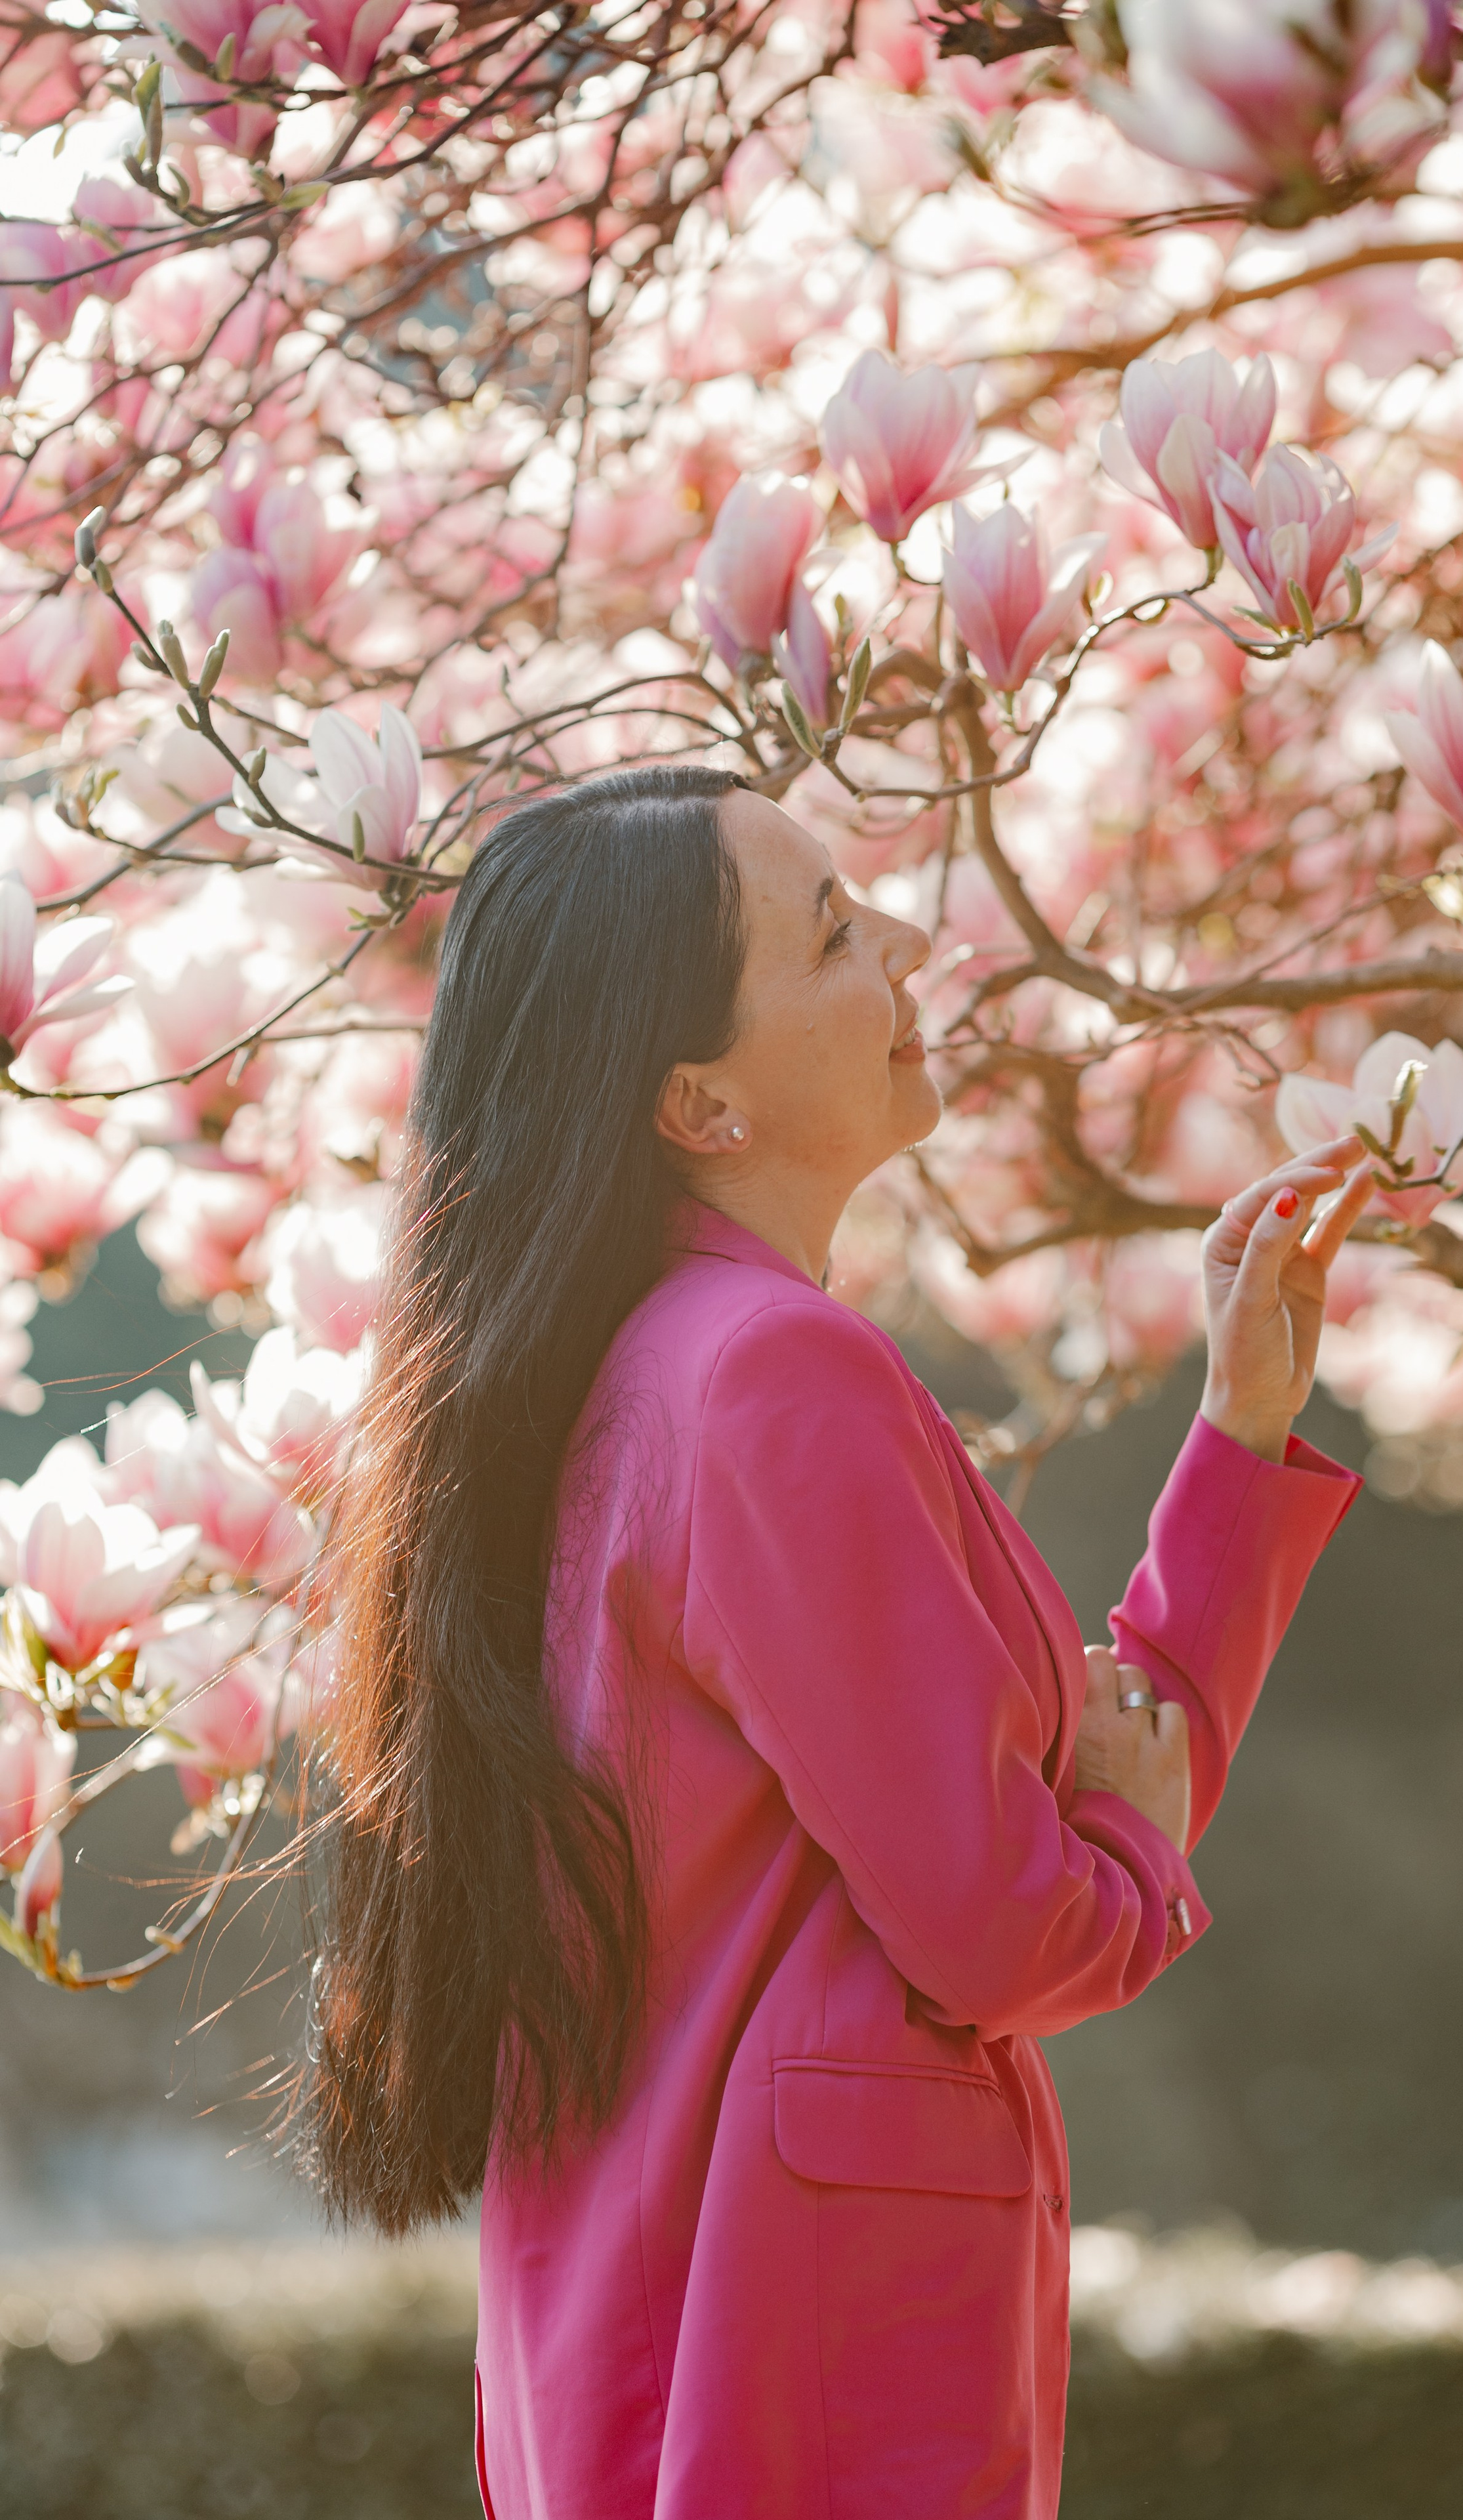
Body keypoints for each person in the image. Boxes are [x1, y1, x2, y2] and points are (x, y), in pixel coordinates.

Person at [300, 763, 1370, 2520]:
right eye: (830, 931)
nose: (905, 941)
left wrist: (1240, 1442)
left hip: (670, 2326)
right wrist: (1132, 1847)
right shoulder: (768, 1377)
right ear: (699, 1099)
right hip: (802, 2360)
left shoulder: (642, 1374)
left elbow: (1078, 1787)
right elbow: (1014, 1919)